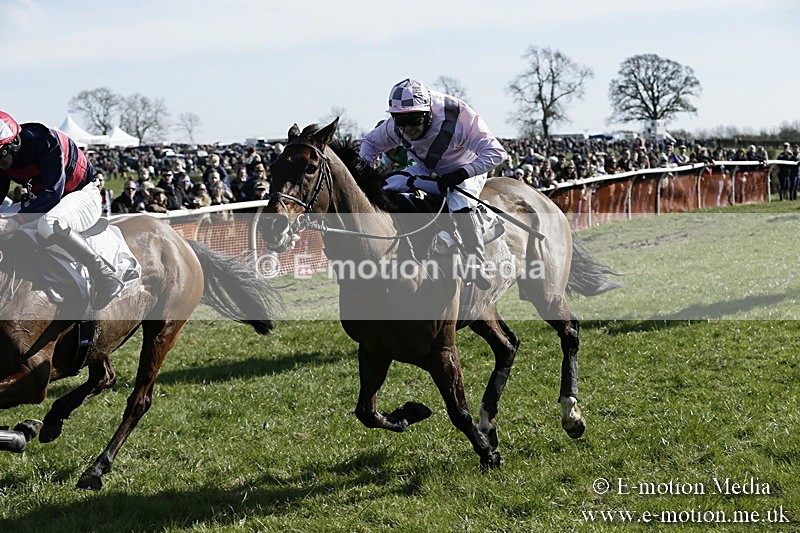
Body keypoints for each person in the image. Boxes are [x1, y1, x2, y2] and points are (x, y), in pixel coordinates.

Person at [360, 78, 507, 289]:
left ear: (428, 112)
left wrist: (462, 173)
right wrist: (368, 170)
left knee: (458, 200)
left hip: (466, 166)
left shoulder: (459, 117)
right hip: (426, 168)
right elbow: (369, 143)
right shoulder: (396, 126)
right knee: (385, 187)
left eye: (414, 119)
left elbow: (496, 153)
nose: (408, 128)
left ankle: (476, 262)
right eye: (401, 121)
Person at [0, 111, 123, 309]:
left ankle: (105, 275)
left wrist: (15, 221)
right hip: (42, 199)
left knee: (49, 224)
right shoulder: (5, 155)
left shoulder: (47, 142)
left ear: (12, 145)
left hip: (81, 194)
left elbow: (52, 194)